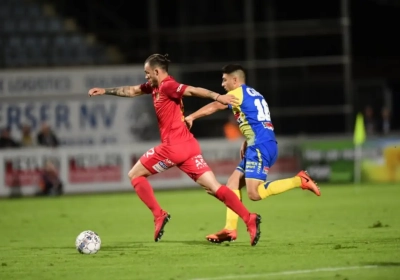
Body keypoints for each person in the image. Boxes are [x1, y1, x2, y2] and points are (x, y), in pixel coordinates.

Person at [88, 54, 262, 246]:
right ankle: (249, 218)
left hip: (172, 148)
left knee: (135, 175)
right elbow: (131, 90)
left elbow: (193, 91)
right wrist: (105, 90)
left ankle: (158, 215)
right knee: (216, 188)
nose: (145, 77)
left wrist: (217, 96)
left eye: (147, 73)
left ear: (156, 71)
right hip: (189, 147)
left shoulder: (168, 86)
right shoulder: (154, 87)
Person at [184, 64, 321, 243]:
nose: (222, 84)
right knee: (232, 183)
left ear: (235, 80)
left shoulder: (237, 93)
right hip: (263, 143)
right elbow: (259, 120)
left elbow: (217, 105)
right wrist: (247, 140)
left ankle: (299, 180)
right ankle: (230, 229)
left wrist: (191, 117)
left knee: (254, 194)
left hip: (260, 147)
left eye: (225, 80)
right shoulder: (254, 94)